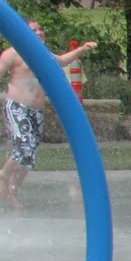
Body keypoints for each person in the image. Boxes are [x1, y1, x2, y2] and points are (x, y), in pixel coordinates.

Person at [0, 19, 96, 210]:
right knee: (24, 144)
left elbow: (62, 61)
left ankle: (12, 190)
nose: (39, 32)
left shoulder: (42, 53)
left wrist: (82, 49)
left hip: (36, 110)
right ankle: (3, 175)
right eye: (33, 30)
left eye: (40, 29)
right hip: (17, 106)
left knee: (29, 156)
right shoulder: (13, 53)